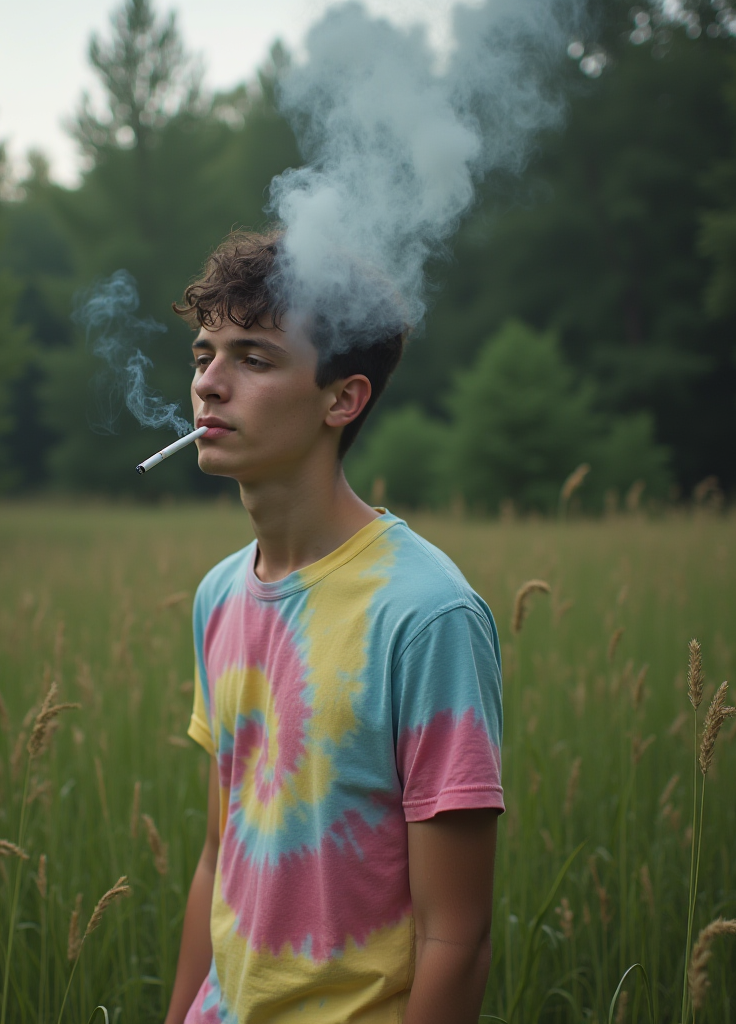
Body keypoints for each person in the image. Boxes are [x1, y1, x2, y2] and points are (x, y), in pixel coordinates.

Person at [163, 231, 504, 1024]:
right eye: (203, 353)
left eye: (253, 358)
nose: (210, 384)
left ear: (342, 399)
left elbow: (457, 934)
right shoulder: (218, 595)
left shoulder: (425, 615)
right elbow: (222, 856)